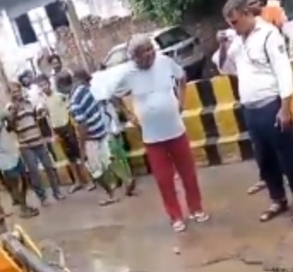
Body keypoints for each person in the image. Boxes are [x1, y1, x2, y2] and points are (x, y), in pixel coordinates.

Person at [214, 0, 293, 222]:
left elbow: (283, 70)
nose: (233, 28)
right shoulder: (237, 39)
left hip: (271, 104)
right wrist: (222, 45)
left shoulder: (268, 34)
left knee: (287, 155)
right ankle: (277, 198)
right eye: (230, 24)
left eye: (236, 22)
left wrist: (285, 107)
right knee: (264, 158)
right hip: (250, 107)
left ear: (248, 14)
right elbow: (225, 68)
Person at [115, 33, 208, 231]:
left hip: (176, 130)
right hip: (152, 137)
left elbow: (182, 78)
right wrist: (129, 115)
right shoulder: (128, 74)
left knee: (188, 173)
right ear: (134, 57)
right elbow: (114, 95)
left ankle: (196, 208)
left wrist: (181, 102)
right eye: (144, 52)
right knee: (164, 180)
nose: (149, 54)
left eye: (151, 49)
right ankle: (175, 216)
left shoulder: (165, 62)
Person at [68, 69, 133, 205]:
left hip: (91, 137)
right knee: (109, 160)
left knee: (95, 170)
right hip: (101, 131)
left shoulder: (74, 101)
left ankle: (110, 194)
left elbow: (82, 125)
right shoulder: (85, 90)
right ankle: (127, 180)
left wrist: (82, 148)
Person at [0, 95, 38, 217]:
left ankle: (24, 204)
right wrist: (0, 121)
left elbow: (9, 125)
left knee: (24, 178)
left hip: (11, 150)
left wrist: (12, 114)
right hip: (2, 155)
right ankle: (23, 208)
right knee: (15, 181)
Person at [38, 73, 93, 192]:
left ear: (49, 83)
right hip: (58, 130)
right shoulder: (43, 101)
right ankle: (77, 181)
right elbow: (48, 118)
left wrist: (74, 126)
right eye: (41, 86)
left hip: (68, 126)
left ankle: (88, 180)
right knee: (70, 158)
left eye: (45, 84)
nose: (44, 87)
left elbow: (70, 111)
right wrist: (53, 133)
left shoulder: (60, 96)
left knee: (79, 155)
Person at [9, 81, 63, 203]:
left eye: (18, 90)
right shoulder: (10, 107)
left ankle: (57, 192)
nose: (16, 93)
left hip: (38, 140)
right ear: (10, 94)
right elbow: (11, 126)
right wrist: (14, 111)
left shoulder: (29, 103)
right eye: (13, 92)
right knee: (34, 172)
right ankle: (42, 197)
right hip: (25, 145)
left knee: (49, 167)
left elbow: (36, 118)